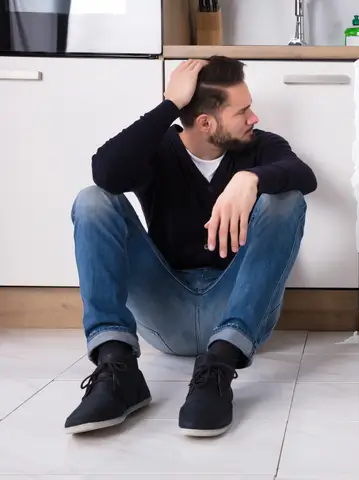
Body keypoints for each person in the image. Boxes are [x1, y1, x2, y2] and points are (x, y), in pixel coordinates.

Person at [65, 57, 317, 437]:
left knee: (286, 198)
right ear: (205, 123)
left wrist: (250, 179)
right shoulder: (158, 150)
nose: (254, 118)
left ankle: (218, 367)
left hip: (237, 313)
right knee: (93, 199)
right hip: (166, 309)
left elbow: (303, 176)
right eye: (243, 110)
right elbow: (106, 171)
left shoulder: (260, 148)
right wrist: (169, 104)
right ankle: (117, 368)